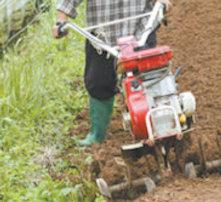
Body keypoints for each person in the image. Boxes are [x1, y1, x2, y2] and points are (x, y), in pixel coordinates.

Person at [52, 0, 171, 146]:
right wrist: (61, 19)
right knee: (98, 82)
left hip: (141, 29)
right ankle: (96, 135)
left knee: (148, 78)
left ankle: (156, 126)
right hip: (102, 34)